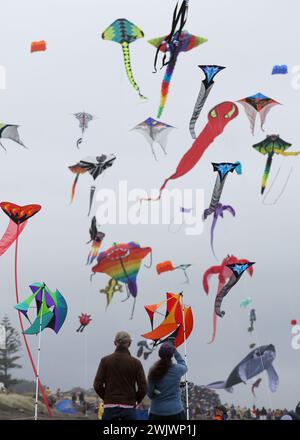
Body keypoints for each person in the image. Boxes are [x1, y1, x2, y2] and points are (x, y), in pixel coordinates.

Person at [94, 331, 147, 421]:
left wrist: (107, 398)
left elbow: (97, 385)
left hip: (110, 407)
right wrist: (135, 400)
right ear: (129, 344)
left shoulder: (105, 361)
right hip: (129, 407)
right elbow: (143, 387)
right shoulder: (136, 363)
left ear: (115, 343)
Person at [147, 341, 187, 420]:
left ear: (160, 354)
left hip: (157, 411)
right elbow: (183, 365)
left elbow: (150, 394)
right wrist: (176, 352)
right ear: (171, 354)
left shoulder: (153, 370)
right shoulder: (178, 369)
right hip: (175, 410)